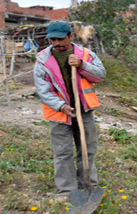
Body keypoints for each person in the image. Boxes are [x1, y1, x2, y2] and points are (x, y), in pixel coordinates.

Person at [33, 21, 106, 202]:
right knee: (62, 152)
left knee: (87, 150)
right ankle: (66, 191)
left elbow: (100, 75)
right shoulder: (42, 60)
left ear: (70, 36)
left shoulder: (85, 55)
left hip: (84, 111)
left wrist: (82, 65)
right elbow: (43, 91)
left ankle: (88, 186)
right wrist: (61, 106)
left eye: (60, 39)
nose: (56, 43)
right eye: (53, 39)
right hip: (59, 113)